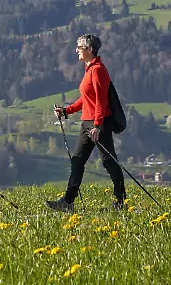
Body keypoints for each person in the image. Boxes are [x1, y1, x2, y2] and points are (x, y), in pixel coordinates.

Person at [46, 34, 126, 212]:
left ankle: (120, 201)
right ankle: (68, 202)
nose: (76, 50)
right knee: (78, 161)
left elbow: (101, 100)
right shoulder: (89, 68)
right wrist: (67, 111)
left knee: (108, 161)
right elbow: (86, 99)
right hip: (87, 122)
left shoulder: (97, 70)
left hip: (99, 123)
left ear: (90, 50)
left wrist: (97, 126)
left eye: (80, 48)